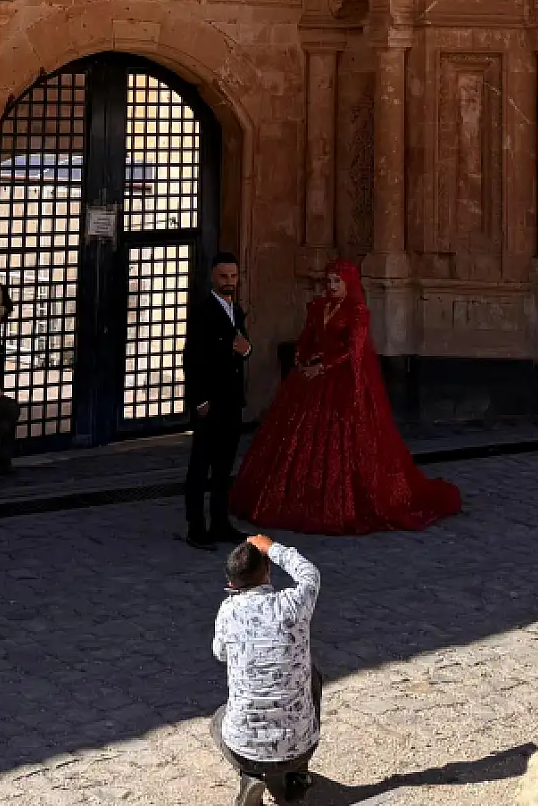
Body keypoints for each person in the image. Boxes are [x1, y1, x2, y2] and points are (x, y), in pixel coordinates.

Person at [229, 259, 461, 535]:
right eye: (328, 281)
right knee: (293, 438)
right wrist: (302, 358)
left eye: (337, 281)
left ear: (348, 283)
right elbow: (307, 337)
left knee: (341, 440)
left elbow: (354, 351)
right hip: (310, 379)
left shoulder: (357, 312)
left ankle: (338, 502)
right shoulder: (319, 307)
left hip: (340, 380)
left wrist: (322, 367)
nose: (332, 286)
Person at [211, 534, 323, 806]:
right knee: (312, 678)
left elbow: (220, 653)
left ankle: (250, 776)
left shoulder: (228, 611)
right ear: (268, 570)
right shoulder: (293, 604)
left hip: (244, 749)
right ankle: (297, 777)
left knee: (218, 720)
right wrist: (272, 548)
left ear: (231, 583)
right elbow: (310, 574)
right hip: (299, 746)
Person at [184, 251, 253, 549]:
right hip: (209, 402)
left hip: (231, 401)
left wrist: (247, 350)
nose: (229, 282)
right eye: (224, 276)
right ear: (213, 276)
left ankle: (220, 523)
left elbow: (243, 346)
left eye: (233, 276)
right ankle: (196, 528)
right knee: (201, 467)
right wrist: (199, 399)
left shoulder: (236, 310)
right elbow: (192, 358)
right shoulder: (202, 311)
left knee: (224, 467)